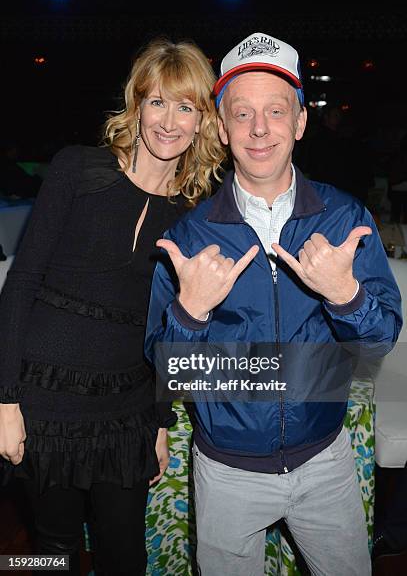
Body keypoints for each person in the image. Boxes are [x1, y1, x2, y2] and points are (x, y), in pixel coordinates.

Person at [145, 32, 402, 576]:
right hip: (226, 472)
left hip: (325, 461)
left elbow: (380, 341)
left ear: (300, 122)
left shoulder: (344, 218)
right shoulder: (189, 237)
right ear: (221, 126)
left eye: (276, 111)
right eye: (242, 113)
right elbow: (168, 373)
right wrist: (189, 313)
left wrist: (345, 295)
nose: (260, 129)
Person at [0, 36, 224, 575]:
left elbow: (169, 327)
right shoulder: (77, 169)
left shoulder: (191, 215)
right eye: (157, 102)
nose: (169, 121)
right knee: (48, 551)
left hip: (125, 412)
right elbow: (21, 283)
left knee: (126, 555)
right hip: (43, 402)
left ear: (202, 121)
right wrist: (5, 403)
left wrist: (161, 422)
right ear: (137, 104)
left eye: (186, 106)